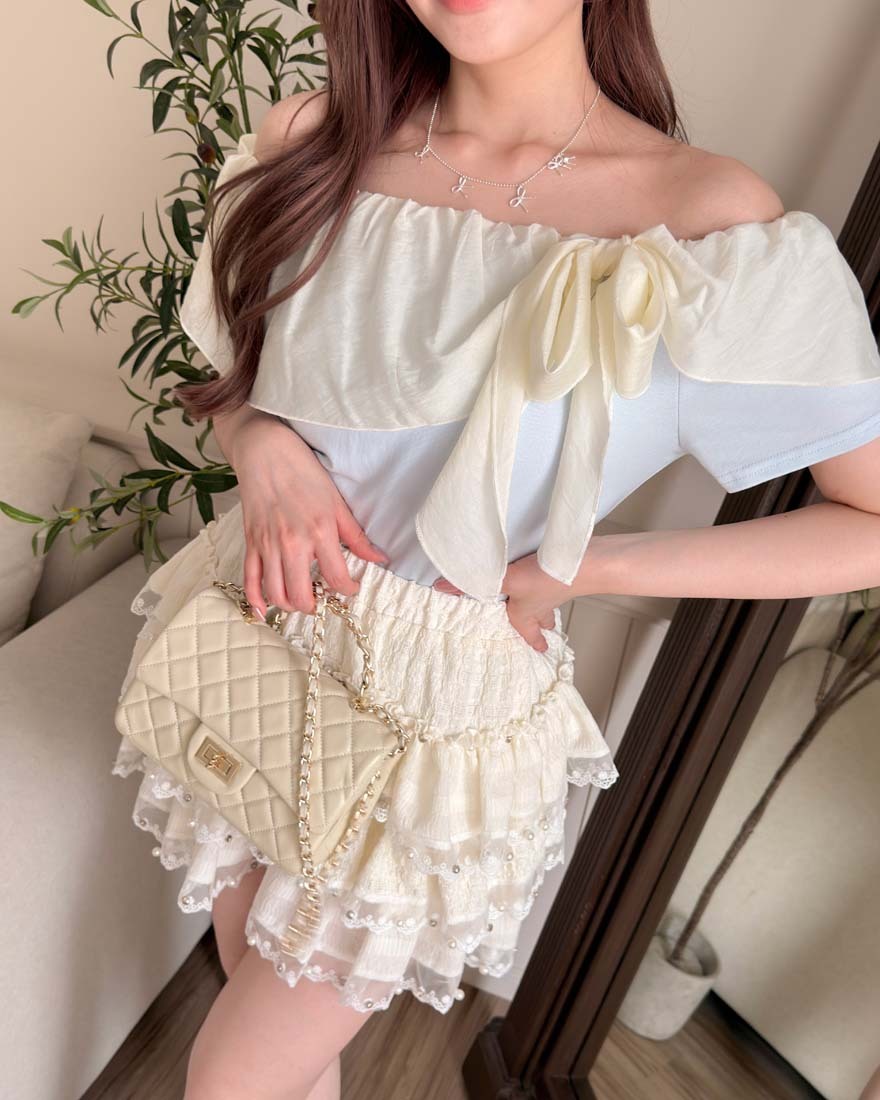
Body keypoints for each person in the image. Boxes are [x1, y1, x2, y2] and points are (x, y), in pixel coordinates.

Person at [111, 2, 880, 1098]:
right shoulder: (311, 140)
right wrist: (259, 442)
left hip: (433, 717)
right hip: (257, 634)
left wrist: (590, 567)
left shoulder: (705, 224)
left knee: (230, 1075)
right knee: (261, 1005)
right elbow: (228, 365)